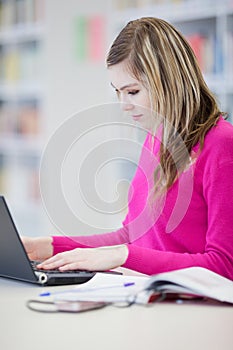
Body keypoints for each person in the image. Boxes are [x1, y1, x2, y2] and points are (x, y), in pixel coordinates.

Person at [22, 17, 233, 280]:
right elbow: (132, 236)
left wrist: (125, 255)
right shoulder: (156, 139)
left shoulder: (222, 145)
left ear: (168, 82)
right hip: (149, 299)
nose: (124, 105)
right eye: (118, 92)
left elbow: (224, 266)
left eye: (132, 92)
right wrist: (47, 246)